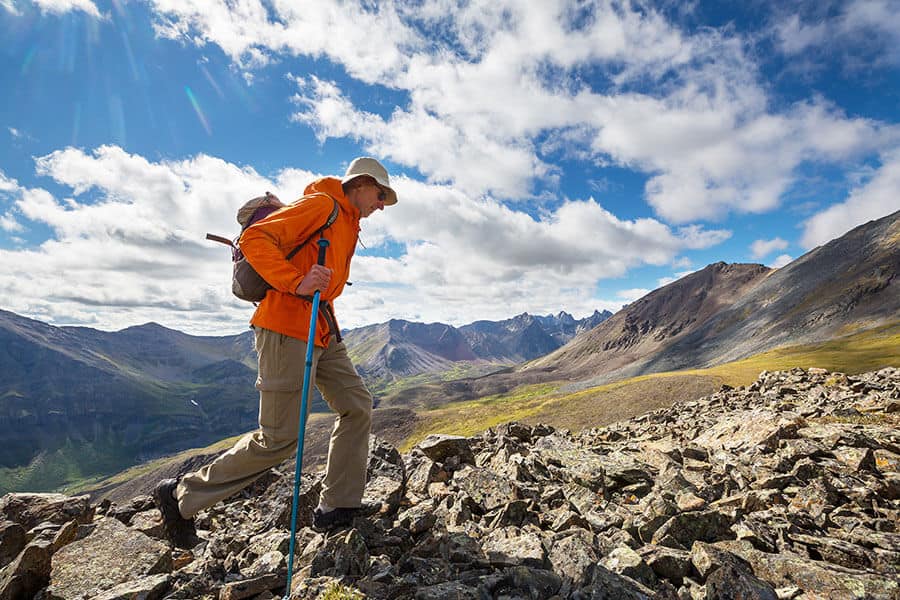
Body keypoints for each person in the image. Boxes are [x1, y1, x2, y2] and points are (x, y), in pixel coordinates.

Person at [154, 157, 398, 547]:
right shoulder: (322, 205)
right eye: (380, 193)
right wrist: (296, 282)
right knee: (279, 438)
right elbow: (255, 240)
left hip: (321, 327)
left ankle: (338, 508)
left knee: (357, 405)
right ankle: (181, 496)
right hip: (286, 328)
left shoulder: (348, 222)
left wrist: (311, 291)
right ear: (361, 183)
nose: (382, 203)